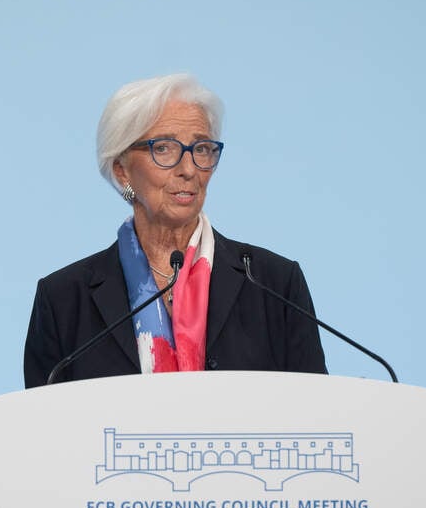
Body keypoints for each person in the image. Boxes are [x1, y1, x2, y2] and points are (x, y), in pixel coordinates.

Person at [24, 73, 327, 388]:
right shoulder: (64, 300)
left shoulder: (274, 284)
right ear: (122, 170)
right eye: (165, 148)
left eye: (202, 148)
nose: (189, 169)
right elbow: (42, 429)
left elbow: (318, 414)